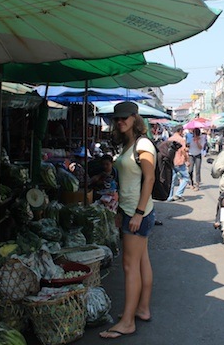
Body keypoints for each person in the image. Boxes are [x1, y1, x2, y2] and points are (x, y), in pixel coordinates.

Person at [99, 101, 155, 340]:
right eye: (118, 119)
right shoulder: (128, 145)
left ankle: (127, 322)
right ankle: (142, 309)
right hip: (132, 210)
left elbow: (150, 179)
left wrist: (138, 213)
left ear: (135, 117)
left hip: (138, 213)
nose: (120, 122)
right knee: (141, 262)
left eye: (125, 118)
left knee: (130, 266)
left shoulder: (143, 144)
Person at [166, 125, 190, 202]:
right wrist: (187, 160)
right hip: (179, 161)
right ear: (180, 131)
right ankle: (178, 194)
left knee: (172, 179)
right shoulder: (181, 140)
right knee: (186, 177)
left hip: (171, 161)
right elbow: (183, 151)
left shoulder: (169, 139)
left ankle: (169, 196)